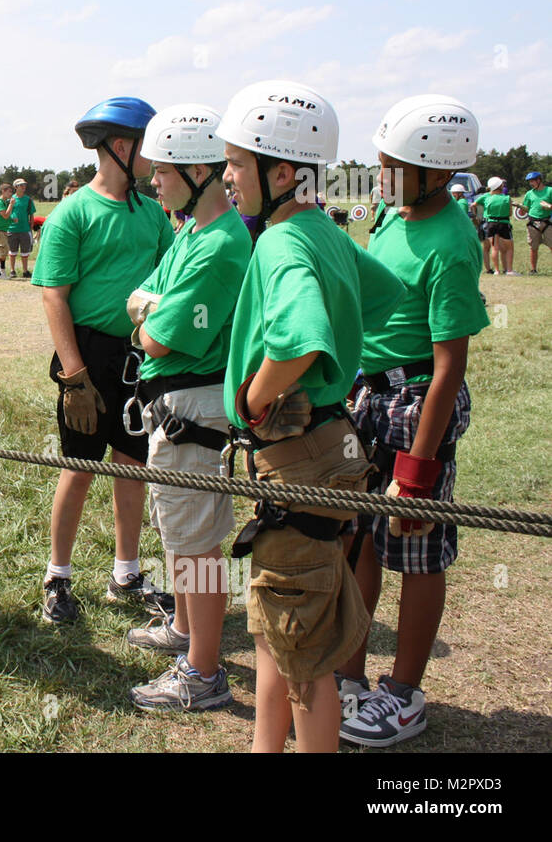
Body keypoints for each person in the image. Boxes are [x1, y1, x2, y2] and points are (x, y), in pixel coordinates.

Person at [218, 80, 402, 752]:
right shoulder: (323, 229)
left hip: (296, 452)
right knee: (279, 632)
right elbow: (384, 295)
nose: (227, 175)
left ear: (282, 172)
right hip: (330, 444)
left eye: (237, 163)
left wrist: (254, 397)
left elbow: (299, 339)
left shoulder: (279, 241)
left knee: (306, 659)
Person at [336, 95, 490, 747]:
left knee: (417, 548)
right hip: (370, 395)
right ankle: (348, 674)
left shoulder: (453, 242)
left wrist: (420, 470)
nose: (379, 175)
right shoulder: (396, 215)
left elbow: (450, 360)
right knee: (359, 539)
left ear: (434, 171)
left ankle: (402, 695)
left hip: (417, 400)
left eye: (391, 165)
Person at [124, 103, 251, 712]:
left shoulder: (219, 243)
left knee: (197, 542)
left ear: (200, 171)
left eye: (165, 171)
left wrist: (149, 311)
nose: (154, 181)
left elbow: (157, 334)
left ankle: (202, 672)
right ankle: (183, 630)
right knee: (178, 529)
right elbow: (147, 302)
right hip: (175, 402)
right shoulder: (191, 231)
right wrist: (151, 307)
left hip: (193, 405)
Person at [31, 97, 174, 625]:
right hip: (87, 354)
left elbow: (166, 282)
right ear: (122, 146)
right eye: (149, 147)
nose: (156, 158)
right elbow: (54, 297)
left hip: (137, 357)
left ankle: (125, 573)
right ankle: (58, 576)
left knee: (133, 465)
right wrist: (75, 378)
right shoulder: (75, 212)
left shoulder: (155, 213)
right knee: (79, 466)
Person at [477, 176, 515, 275]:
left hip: (491, 224)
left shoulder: (488, 198)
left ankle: (497, 270)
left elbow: (477, 206)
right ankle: (509, 270)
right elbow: (510, 213)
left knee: (494, 248)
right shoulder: (507, 198)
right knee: (509, 247)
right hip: (503, 224)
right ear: (500, 186)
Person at [6, 177, 36, 278]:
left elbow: (31, 215)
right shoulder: (11, 199)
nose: (24, 187)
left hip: (25, 229)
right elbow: (6, 213)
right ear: (16, 187)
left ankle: (25, 271)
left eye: (24, 185)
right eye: (21, 185)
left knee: (25, 252)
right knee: (12, 252)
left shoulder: (28, 200)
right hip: (12, 229)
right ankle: (12, 270)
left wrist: (31, 226)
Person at [521, 171, 551, 274]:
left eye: (532, 181)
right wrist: (520, 207)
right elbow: (524, 209)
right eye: (529, 182)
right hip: (533, 223)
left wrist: (550, 206)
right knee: (533, 247)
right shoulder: (529, 194)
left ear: (539, 180)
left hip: (547, 222)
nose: (531, 184)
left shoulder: (550, 191)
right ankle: (533, 269)